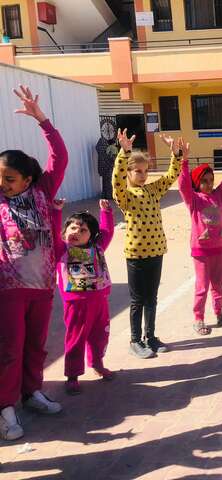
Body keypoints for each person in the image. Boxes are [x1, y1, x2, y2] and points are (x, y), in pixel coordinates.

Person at [0, 85, 69, 441]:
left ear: (27, 178)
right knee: (9, 348)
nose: (4, 185)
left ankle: (32, 392)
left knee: (35, 344)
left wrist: (42, 120)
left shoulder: (43, 190)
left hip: (42, 287)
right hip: (9, 288)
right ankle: (6, 407)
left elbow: (59, 155)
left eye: (9, 179)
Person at [112, 129, 181, 358]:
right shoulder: (125, 195)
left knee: (152, 297)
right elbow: (117, 182)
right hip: (136, 255)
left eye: (145, 171)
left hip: (156, 251)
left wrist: (176, 155)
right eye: (137, 171)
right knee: (137, 300)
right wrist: (124, 153)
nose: (142, 175)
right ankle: (135, 340)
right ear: (129, 173)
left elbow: (171, 176)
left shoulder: (152, 190)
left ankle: (150, 336)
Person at [51, 199, 114, 395]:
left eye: (83, 230)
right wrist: (57, 211)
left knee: (100, 335)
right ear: (64, 232)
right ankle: (72, 375)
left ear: (92, 236)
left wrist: (106, 213)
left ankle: (97, 363)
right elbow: (53, 231)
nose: (76, 232)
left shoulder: (98, 247)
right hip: (76, 305)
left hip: (100, 302)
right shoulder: (62, 250)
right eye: (72, 228)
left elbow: (108, 232)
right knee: (75, 339)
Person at [178, 125, 222, 336]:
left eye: (211, 180)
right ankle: (199, 319)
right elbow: (183, 185)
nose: (209, 185)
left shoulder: (219, 195)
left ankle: (219, 314)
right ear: (197, 183)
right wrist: (184, 161)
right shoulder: (193, 200)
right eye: (204, 181)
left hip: (219, 247)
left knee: (218, 285)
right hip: (201, 250)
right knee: (202, 286)